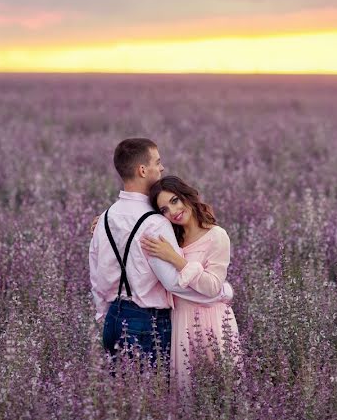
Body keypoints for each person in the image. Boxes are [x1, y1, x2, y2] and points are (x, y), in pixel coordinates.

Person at [88, 138, 233, 369]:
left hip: (112, 321)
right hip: (147, 323)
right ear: (143, 170)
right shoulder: (155, 223)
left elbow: (96, 280)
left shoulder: (105, 218)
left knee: (122, 400)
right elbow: (175, 284)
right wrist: (220, 293)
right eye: (157, 161)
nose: (162, 167)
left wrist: (105, 316)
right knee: (152, 400)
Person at [141, 176, 240, 389]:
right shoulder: (172, 240)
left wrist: (175, 258)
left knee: (220, 387)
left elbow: (213, 286)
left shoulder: (216, 236)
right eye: (164, 210)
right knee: (188, 391)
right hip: (181, 319)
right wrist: (101, 221)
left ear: (187, 196)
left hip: (213, 320)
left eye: (175, 200)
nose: (173, 211)